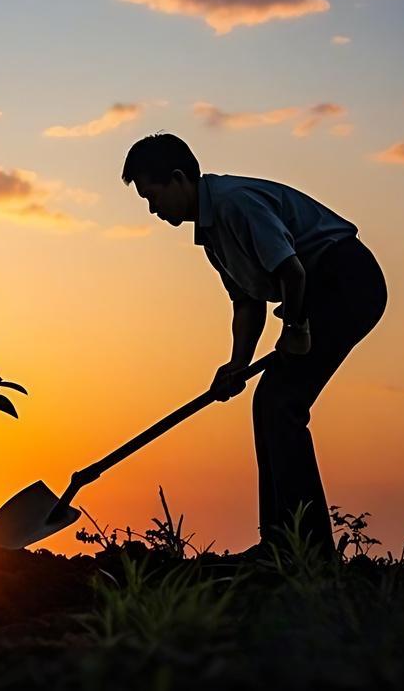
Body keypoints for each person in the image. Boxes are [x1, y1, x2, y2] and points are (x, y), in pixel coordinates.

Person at [120, 133, 387, 555]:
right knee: (270, 403)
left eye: (152, 196)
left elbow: (292, 272)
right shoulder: (211, 232)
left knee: (280, 402)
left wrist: (295, 327)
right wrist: (236, 365)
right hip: (317, 290)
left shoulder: (234, 204)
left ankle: (302, 548)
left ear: (179, 178)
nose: (153, 210)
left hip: (345, 280)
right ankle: (284, 541)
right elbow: (247, 301)